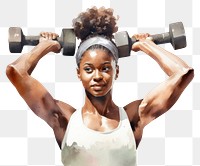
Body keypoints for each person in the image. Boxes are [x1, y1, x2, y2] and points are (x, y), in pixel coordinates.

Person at [6, 6, 194, 166]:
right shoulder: (64, 119)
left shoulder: (133, 118)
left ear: (116, 72)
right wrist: (45, 46)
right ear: (78, 73)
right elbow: (15, 72)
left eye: (105, 68)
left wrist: (147, 45)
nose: (97, 76)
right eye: (88, 69)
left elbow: (182, 74)